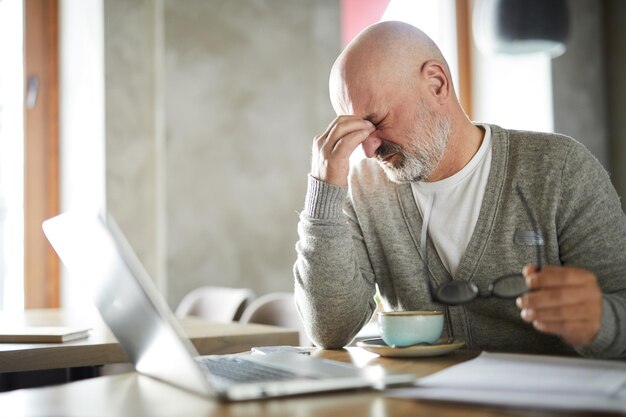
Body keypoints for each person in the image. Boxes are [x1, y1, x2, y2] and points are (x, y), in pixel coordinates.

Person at [293, 21, 626, 359]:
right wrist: (323, 195)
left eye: (376, 122)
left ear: (437, 84)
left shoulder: (560, 168)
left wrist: (599, 322)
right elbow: (330, 331)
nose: (368, 149)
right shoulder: (364, 190)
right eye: (356, 130)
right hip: (420, 406)